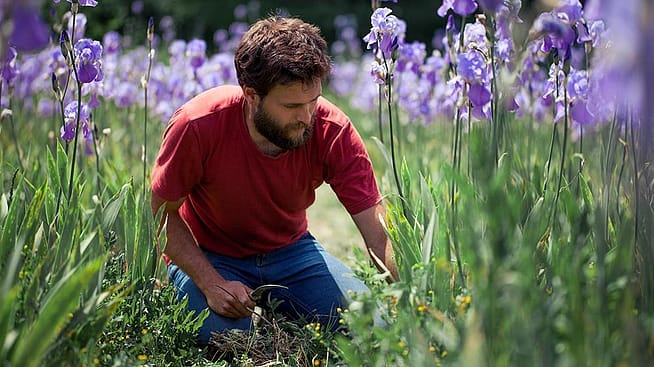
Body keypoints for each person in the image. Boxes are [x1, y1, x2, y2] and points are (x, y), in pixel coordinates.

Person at [150, 15, 398, 346]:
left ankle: (283, 305)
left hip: (292, 252)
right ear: (251, 96)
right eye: (292, 105)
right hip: (211, 254)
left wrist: (411, 301)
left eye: (313, 101)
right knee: (225, 338)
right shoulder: (198, 125)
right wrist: (210, 282)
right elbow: (158, 213)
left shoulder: (332, 129)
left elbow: (378, 235)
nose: (307, 117)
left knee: (370, 326)